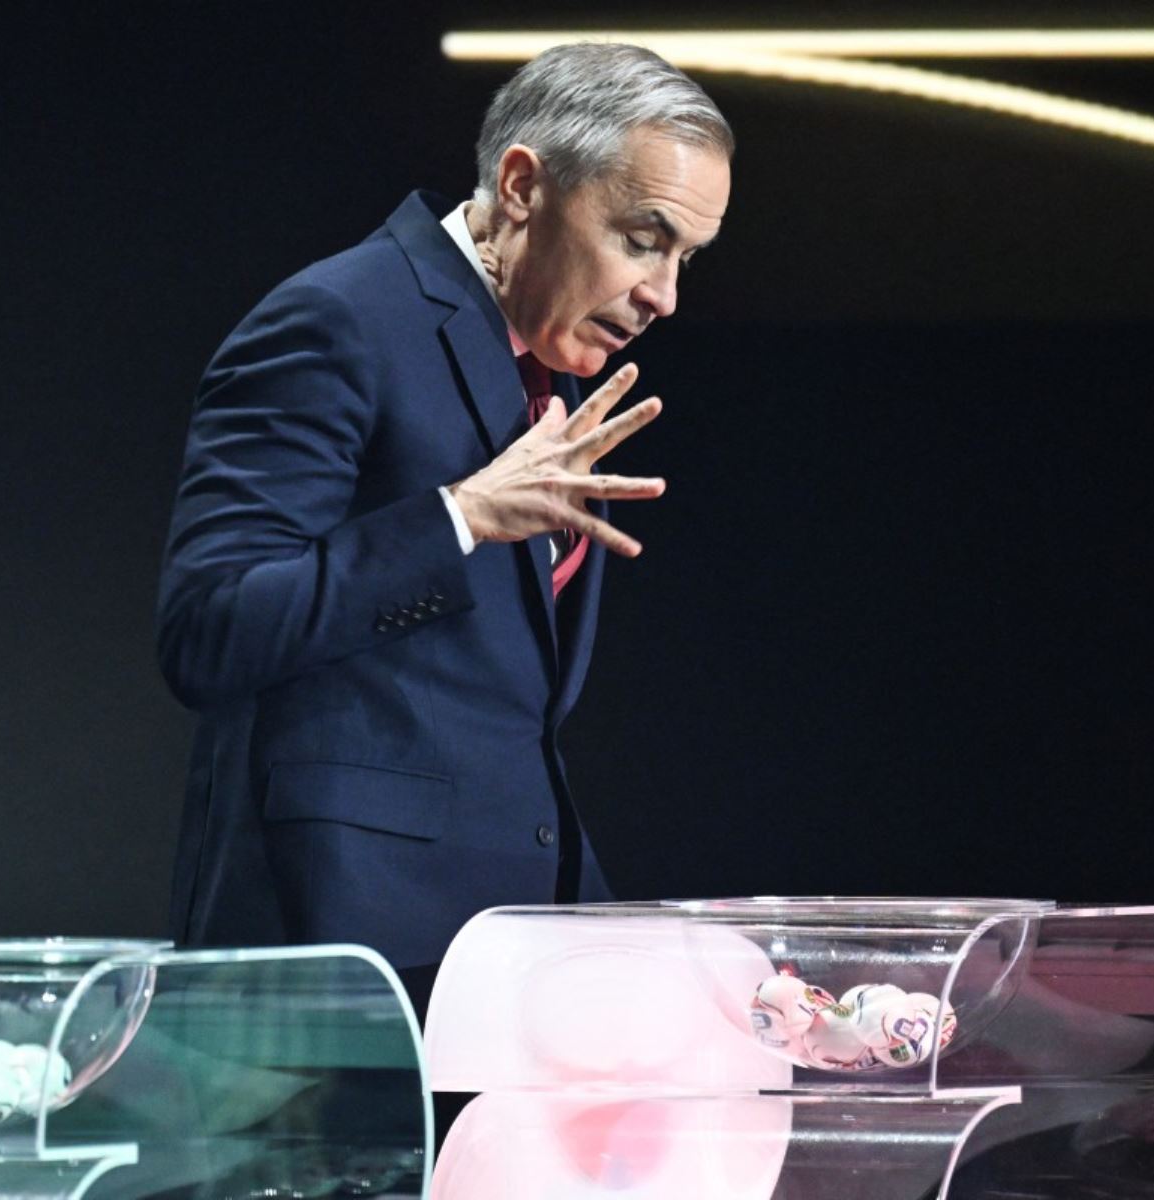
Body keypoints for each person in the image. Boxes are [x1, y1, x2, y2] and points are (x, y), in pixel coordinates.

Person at [155, 43, 733, 986]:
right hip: (338, 963)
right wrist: (459, 515)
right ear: (520, 187)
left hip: (503, 959)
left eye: (686, 258)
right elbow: (209, 628)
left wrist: (648, 964)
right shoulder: (335, 320)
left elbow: (499, 731)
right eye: (641, 239)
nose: (663, 295)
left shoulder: (545, 378)